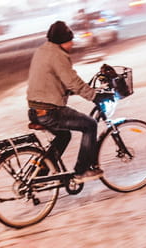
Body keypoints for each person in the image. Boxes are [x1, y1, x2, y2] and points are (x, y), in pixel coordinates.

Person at [26, 20, 106, 182]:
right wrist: (94, 96)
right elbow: (71, 81)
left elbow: (55, 81)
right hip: (50, 111)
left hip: (35, 110)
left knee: (63, 136)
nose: (72, 44)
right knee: (90, 125)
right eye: (70, 40)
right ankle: (81, 172)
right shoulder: (57, 55)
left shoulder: (42, 51)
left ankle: (38, 176)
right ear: (62, 41)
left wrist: (82, 89)